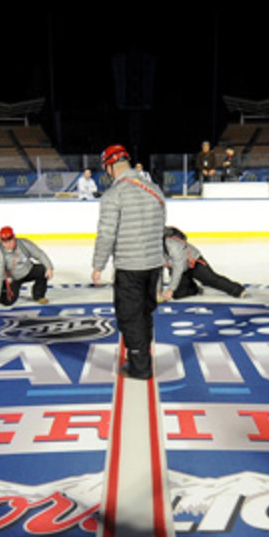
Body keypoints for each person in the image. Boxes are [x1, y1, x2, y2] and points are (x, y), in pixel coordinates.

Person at [91, 143, 166, 380]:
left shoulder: (114, 194)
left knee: (129, 317)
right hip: (154, 266)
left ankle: (140, 367)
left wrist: (98, 265)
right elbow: (160, 229)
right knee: (145, 314)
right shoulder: (155, 190)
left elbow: (107, 233)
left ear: (110, 167)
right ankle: (142, 356)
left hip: (129, 266)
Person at [161, 226, 246, 301]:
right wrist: (158, 291)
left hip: (193, 262)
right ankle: (194, 288)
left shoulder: (173, 245)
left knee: (210, 279)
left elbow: (178, 267)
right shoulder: (151, 253)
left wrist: (170, 289)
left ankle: (237, 290)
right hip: (177, 267)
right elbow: (156, 271)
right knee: (179, 294)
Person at [0, 226, 54, 310]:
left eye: (10, 241)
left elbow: (39, 254)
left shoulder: (24, 244)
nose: (7, 244)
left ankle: (38, 295)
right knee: (8, 302)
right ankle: (2, 292)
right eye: (4, 242)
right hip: (13, 278)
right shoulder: (0, 254)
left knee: (42, 270)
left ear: (14, 238)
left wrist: (49, 267)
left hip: (27, 271)